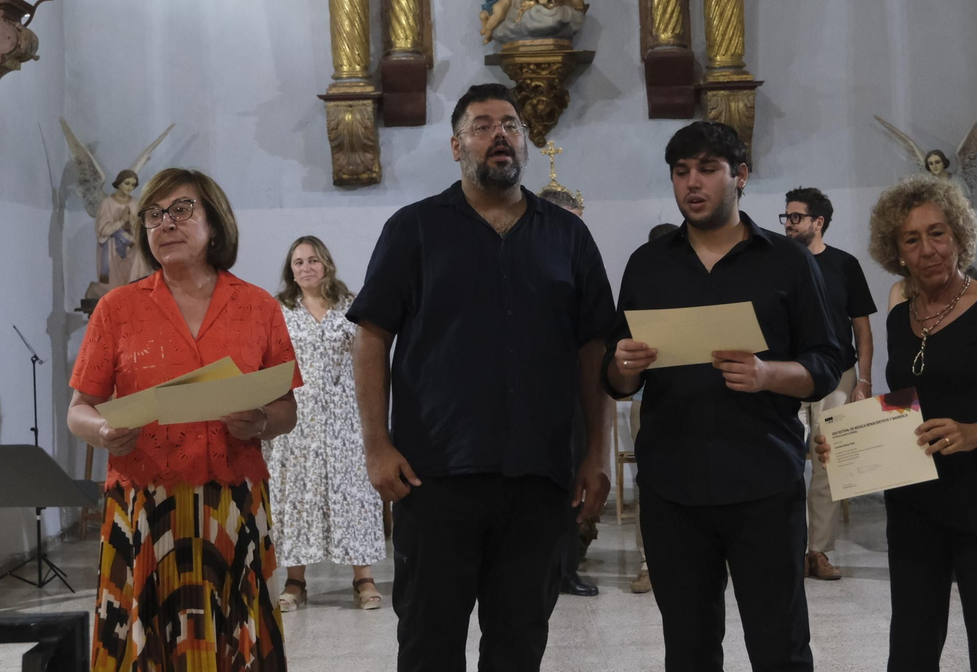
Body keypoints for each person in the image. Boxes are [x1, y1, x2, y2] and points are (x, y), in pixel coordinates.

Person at [351, 83, 615, 671]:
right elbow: (371, 336)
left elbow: (594, 347)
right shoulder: (414, 229)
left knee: (519, 644)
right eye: (482, 124)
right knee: (428, 642)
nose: (500, 134)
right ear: (456, 146)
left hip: (539, 475)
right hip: (434, 474)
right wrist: (376, 444)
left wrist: (597, 450)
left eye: (511, 124)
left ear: (524, 140)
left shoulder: (567, 236)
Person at [605, 121, 843, 672]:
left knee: (778, 644)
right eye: (681, 172)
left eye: (708, 170)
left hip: (763, 479)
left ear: (739, 176)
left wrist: (768, 374)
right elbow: (618, 378)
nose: (693, 183)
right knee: (687, 647)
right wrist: (622, 365)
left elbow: (826, 364)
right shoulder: (649, 265)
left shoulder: (788, 263)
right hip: (673, 484)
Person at [817, 174, 977, 671]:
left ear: (959, 238)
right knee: (909, 651)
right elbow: (907, 404)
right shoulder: (899, 318)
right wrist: (848, 442)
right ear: (897, 251)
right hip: (916, 505)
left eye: (938, 233)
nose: (928, 249)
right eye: (912, 239)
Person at [67, 168, 302, 671]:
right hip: (143, 504)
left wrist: (261, 421)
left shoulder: (259, 307)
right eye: (154, 215)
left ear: (214, 224)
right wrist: (104, 431)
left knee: (233, 638)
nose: (165, 223)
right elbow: (78, 412)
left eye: (180, 210)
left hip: (232, 503)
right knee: (145, 641)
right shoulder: (116, 309)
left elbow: (287, 409)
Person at [269, 235, 386, 612]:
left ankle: (363, 578)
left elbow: (370, 356)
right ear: (291, 270)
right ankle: (295, 581)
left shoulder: (350, 306)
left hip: (346, 417)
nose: (306, 267)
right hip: (296, 419)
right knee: (297, 498)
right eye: (299, 262)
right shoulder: (279, 311)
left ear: (326, 264)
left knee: (354, 495)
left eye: (313, 260)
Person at [782, 186, 877, 582]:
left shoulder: (844, 264)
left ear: (818, 223)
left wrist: (865, 381)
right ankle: (786, 550)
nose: (787, 224)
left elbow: (862, 328)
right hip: (788, 374)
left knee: (828, 465)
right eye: (785, 217)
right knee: (784, 461)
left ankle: (817, 551)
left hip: (838, 376)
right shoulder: (776, 261)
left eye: (796, 217)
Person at [536, 182, 601, 599]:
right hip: (536, 390)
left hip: (576, 390)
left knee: (573, 483)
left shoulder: (581, 263)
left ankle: (568, 568)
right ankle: (542, 570)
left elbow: (595, 332)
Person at [625, 221, 682, 596]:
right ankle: (648, 563)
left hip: (685, 401)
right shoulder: (644, 288)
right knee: (650, 481)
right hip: (646, 401)